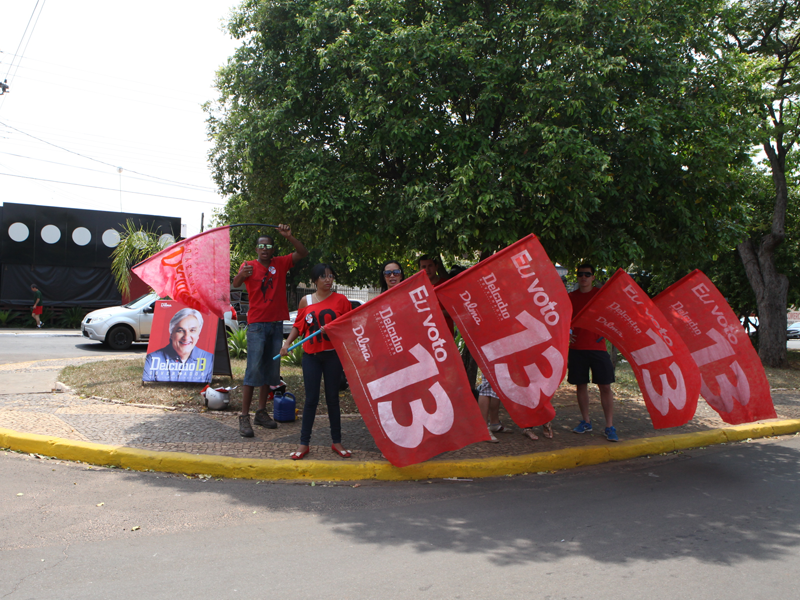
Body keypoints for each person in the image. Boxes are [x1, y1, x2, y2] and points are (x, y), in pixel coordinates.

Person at [233, 224, 309, 437]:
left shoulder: (280, 263)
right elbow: (236, 284)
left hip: (276, 324)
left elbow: (302, 253)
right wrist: (241, 274)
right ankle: (244, 416)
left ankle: (261, 412)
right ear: (256, 249)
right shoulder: (248, 265)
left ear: (273, 249)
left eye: (268, 246)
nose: (265, 249)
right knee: (253, 370)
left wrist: (290, 236)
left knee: (270, 371)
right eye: (261, 246)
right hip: (257, 325)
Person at [280, 264, 352, 460]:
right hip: (311, 356)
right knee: (311, 399)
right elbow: (299, 326)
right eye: (323, 277)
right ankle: (304, 444)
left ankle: (336, 441)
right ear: (315, 280)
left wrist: (335, 329)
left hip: (332, 356)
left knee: (332, 399)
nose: (328, 280)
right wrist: (286, 344)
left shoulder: (341, 300)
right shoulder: (306, 301)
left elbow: (348, 325)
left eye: (330, 276)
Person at [568, 264, 618, 442]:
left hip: (598, 349)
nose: (583, 277)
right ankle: (586, 422)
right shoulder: (570, 297)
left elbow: (613, 316)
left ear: (593, 277)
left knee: (605, 387)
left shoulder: (599, 295)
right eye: (580, 274)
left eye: (587, 274)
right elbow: (562, 318)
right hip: (576, 349)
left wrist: (606, 332)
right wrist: (568, 333)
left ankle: (609, 426)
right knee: (580, 385)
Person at [143, 308, 214, 383]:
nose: (186, 337)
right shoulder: (153, 359)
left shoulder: (210, 359)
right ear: (171, 334)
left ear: (198, 334)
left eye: (192, 330)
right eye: (180, 330)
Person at [418, 254, 455, 335]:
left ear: (436, 266)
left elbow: (454, 310)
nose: (427, 269)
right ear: (420, 269)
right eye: (424, 266)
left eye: (430, 265)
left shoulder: (446, 285)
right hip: (425, 335)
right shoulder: (416, 289)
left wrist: (433, 312)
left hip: (446, 335)